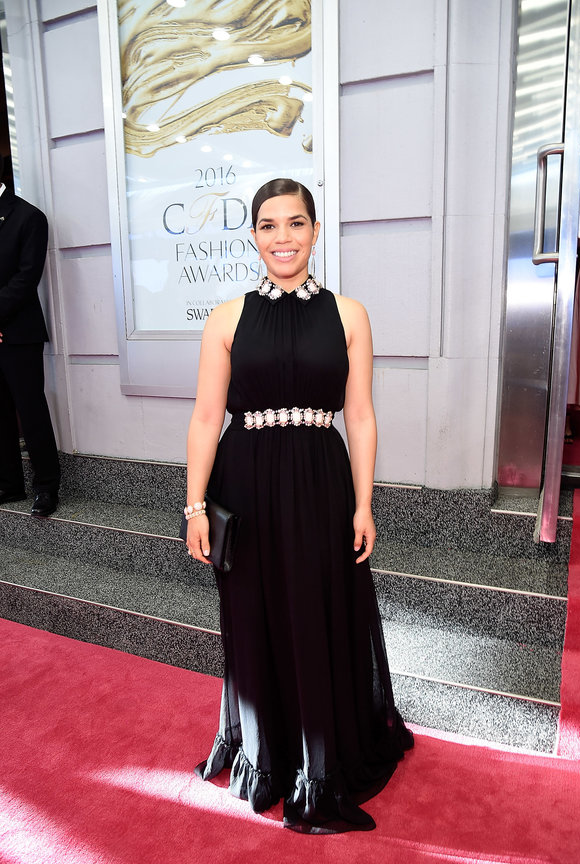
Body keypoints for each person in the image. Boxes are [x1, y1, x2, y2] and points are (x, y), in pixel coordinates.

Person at [185, 178, 414, 834]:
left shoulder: (349, 314)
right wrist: (195, 506)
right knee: (256, 615)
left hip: (320, 481)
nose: (282, 237)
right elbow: (205, 418)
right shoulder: (226, 317)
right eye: (268, 225)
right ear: (254, 236)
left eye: (295, 223)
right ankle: (266, 754)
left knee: (316, 612)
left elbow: (362, 417)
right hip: (246, 482)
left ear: (315, 231)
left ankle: (319, 762)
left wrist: (365, 504)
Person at [0, 153, 60, 516]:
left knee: (30, 409)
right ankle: (9, 484)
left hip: (18, 332)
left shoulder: (28, 217)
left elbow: (26, 279)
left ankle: (47, 488)